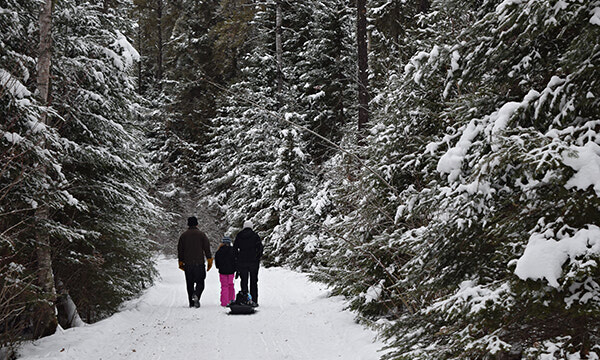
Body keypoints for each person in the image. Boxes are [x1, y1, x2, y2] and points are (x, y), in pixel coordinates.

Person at [177, 216, 213, 308]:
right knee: (200, 282)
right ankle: (196, 294)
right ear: (197, 224)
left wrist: (180, 261)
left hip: (188, 264)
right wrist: (209, 259)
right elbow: (206, 248)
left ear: (188, 224)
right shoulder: (201, 234)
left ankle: (191, 302)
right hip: (199, 263)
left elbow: (180, 250)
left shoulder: (183, 236)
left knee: (190, 283)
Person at [233, 220, 263, 307]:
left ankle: (245, 299)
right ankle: (254, 300)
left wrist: (237, 259)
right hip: (253, 262)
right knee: (254, 281)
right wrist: (257, 257)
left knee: (244, 281)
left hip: (242, 261)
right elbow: (260, 248)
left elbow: (235, 249)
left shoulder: (239, 235)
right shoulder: (255, 236)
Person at [215, 235, 236, 306]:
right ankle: (231, 300)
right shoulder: (233, 250)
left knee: (224, 286)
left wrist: (219, 267)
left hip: (222, 271)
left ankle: (224, 302)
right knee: (231, 286)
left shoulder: (219, 251)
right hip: (231, 271)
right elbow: (235, 260)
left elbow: (217, 263)